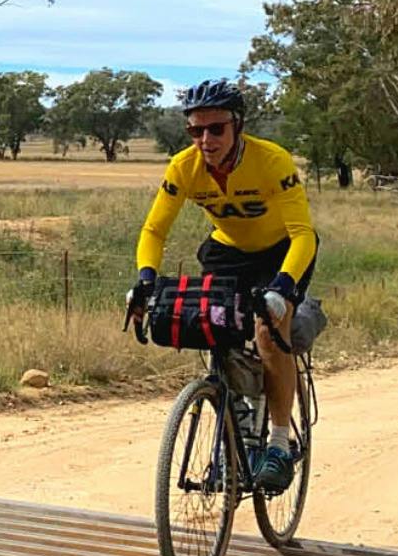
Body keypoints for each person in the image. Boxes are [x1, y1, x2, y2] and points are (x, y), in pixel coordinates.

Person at [129, 79, 318, 493]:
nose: (205, 139)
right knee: (213, 326)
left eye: (216, 129)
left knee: (270, 334)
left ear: (238, 126)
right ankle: (239, 426)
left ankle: (279, 444)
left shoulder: (271, 161)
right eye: (195, 131)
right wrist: (145, 279)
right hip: (227, 249)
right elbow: (154, 229)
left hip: (281, 251)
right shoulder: (184, 166)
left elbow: (303, 233)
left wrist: (282, 288)